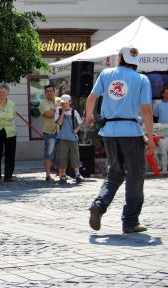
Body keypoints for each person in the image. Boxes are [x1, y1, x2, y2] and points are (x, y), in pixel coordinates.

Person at [85, 45, 155, 234]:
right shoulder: (141, 79)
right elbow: (147, 111)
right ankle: (130, 221)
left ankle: (99, 205)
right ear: (136, 62)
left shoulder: (107, 74)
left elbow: (91, 98)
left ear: (119, 58)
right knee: (135, 175)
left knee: (114, 173)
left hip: (109, 132)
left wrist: (89, 116)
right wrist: (150, 137)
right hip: (131, 132)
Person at [54, 94, 85, 184]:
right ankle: (63, 174)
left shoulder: (74, 112)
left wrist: (76, 129)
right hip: (62, 137)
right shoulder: (58, 111)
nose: (64, 105)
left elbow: (80, 122)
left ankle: (77, 174)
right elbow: (59, 123)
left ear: (70, 102)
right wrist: (63, 112)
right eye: (63, 103)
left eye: (66, 103)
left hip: (72, 137)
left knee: (75, 155)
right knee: (63, 156)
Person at [39, 84, 61, 181]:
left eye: (51, 91)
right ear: (45, 93)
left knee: (61, 153)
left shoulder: (60, 100)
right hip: (49, 131)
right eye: (47, 91)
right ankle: (48, 175)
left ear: (54, 91)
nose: (49, 93)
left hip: (61, 130)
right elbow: (48, 114)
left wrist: (55, 111)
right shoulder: (43, 103)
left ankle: (61, 174)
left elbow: (65, 111)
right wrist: (59, 111)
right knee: (49, 153)